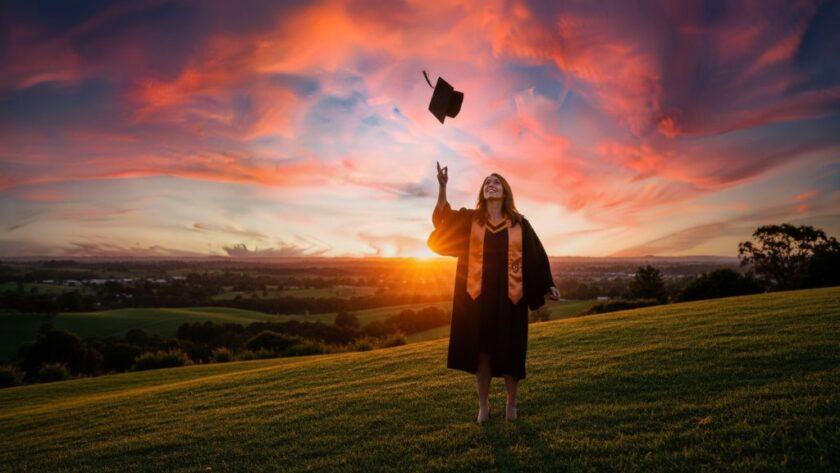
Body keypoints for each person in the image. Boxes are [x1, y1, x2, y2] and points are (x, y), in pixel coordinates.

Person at [428, 162, 560, 423]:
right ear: (482, 192)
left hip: (511, 297)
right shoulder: (470, 220)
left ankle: (511, 404)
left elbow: (536, 256)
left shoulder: (520, 224)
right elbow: (444, 220)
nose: (490, 185)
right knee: (483, 351)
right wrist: (443, 188)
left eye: (496, 182)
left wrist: (548, 283)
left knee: (512, 350)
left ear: (505, 191)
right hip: (477, 298)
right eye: (487, 182)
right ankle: (483, 405)